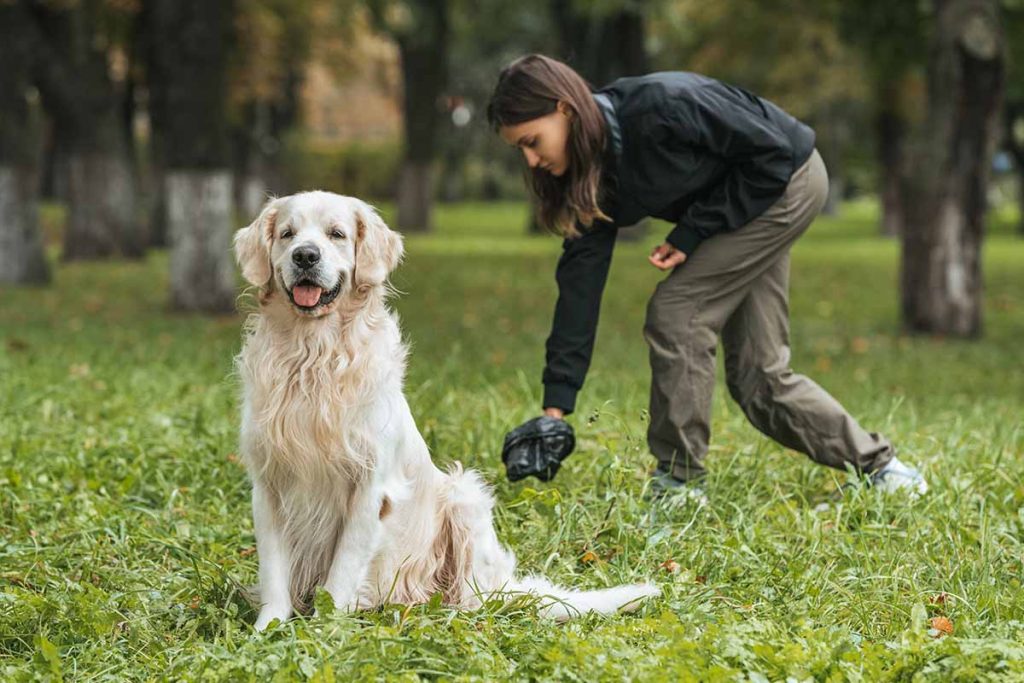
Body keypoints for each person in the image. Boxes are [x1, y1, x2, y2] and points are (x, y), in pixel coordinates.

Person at [486, 54, 927, 499]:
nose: (531, 159)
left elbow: (772, 155)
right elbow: (579, 287)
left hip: (786, 181)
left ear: (565, 109)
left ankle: (678, 485)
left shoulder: (663, 107)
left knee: (678, 313)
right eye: (519, 149)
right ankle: (885, 471)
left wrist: (693, 232)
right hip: (748, 199)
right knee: (760, 377)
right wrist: (554, 411)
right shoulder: (591, 175)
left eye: (532, 141)